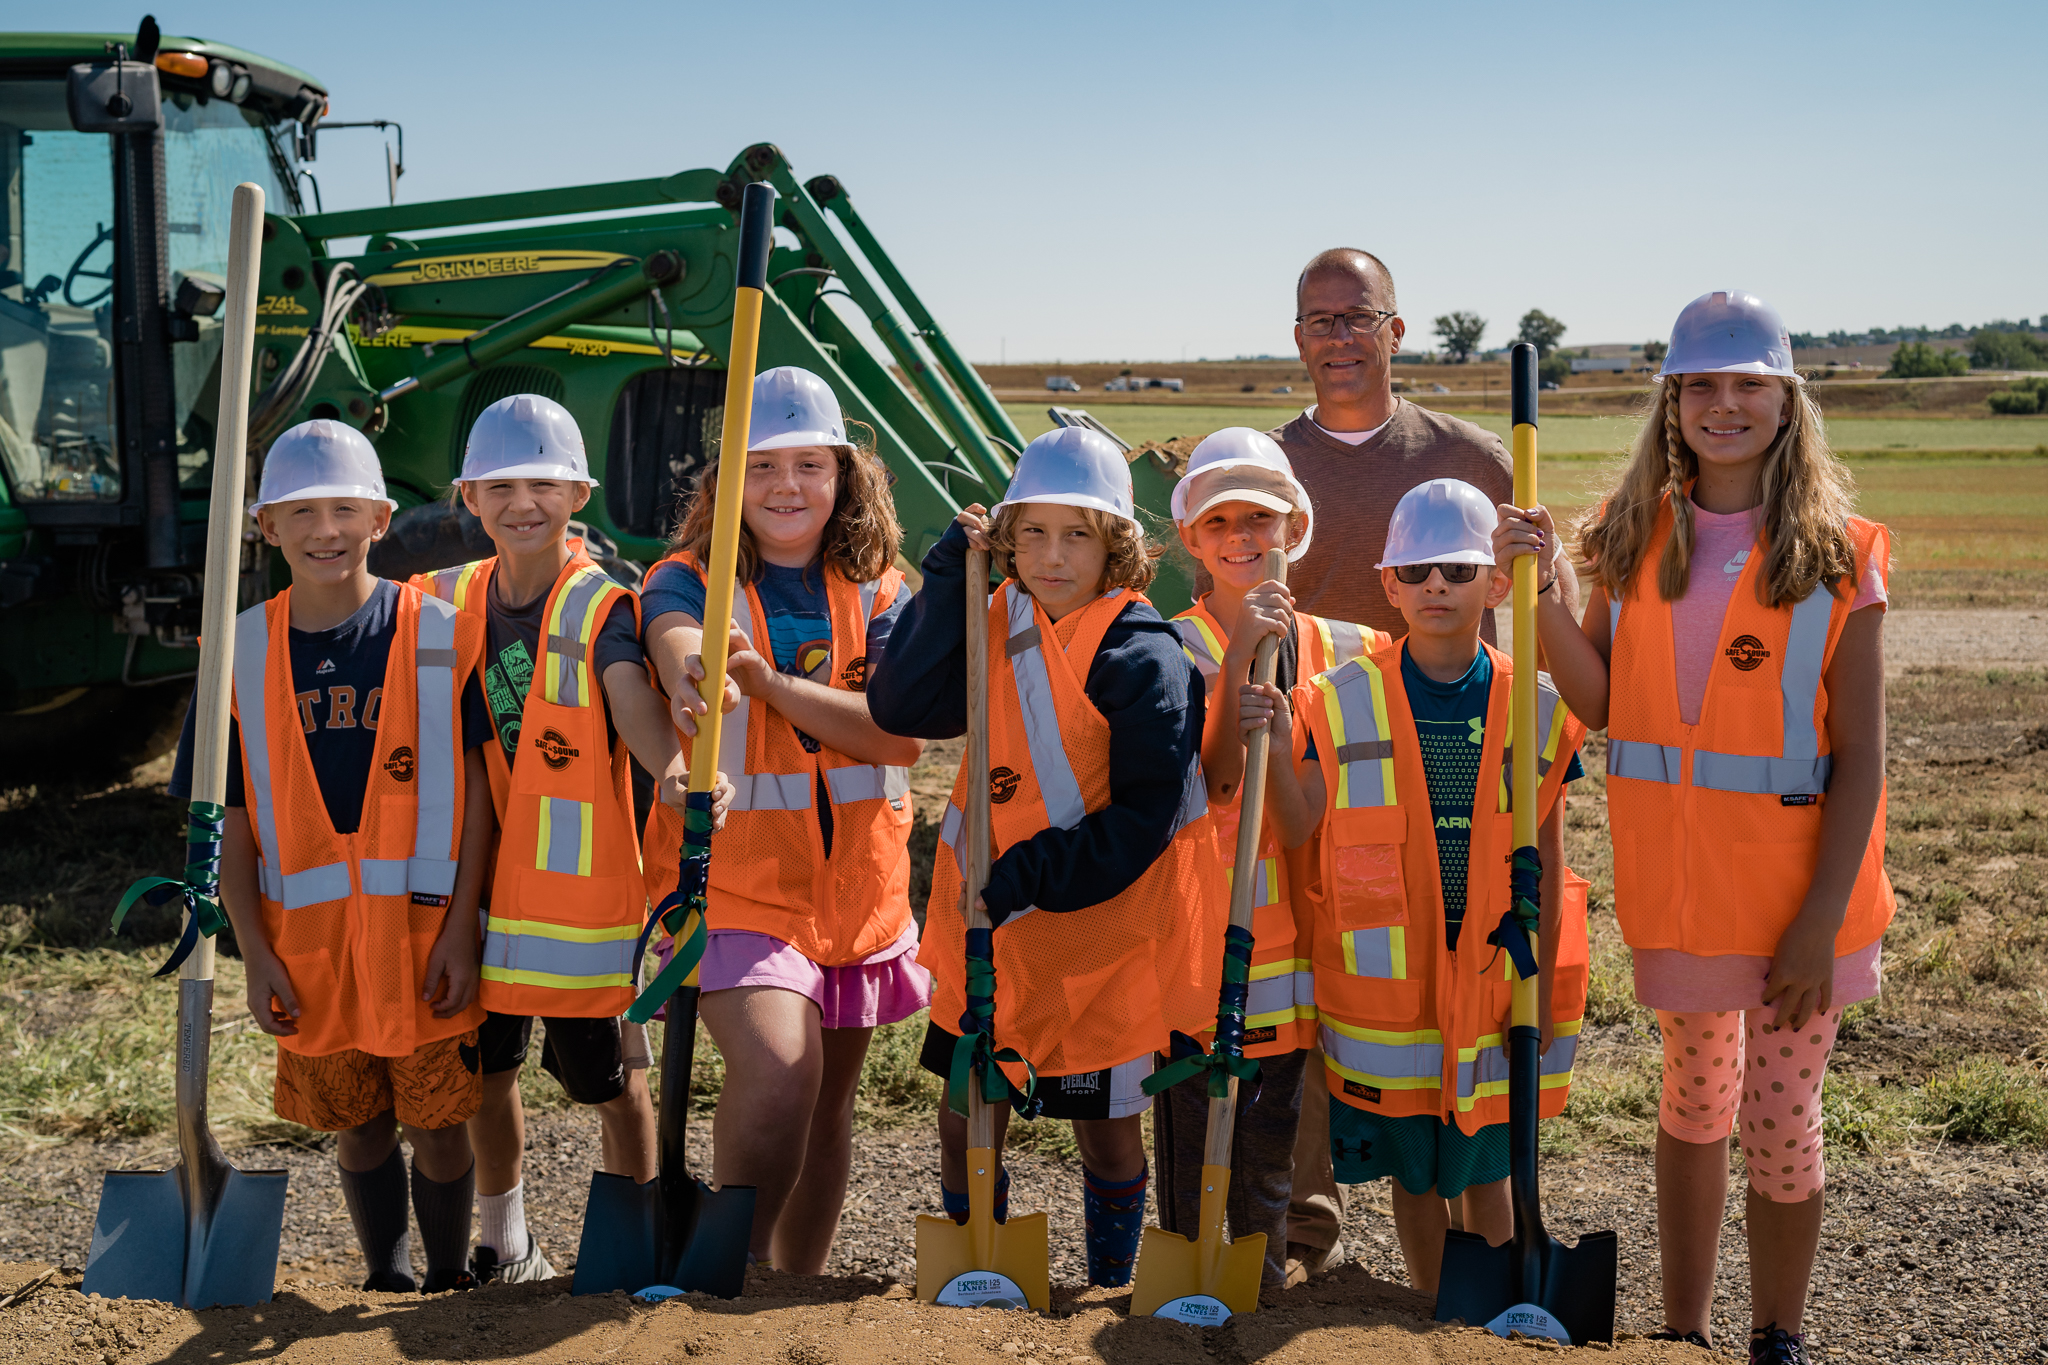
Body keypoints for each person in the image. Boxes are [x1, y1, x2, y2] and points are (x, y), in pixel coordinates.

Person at [1494, 290, 1893, 1365]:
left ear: (1784, 402)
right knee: (1690, 1102)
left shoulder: (1839, 553)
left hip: (1800, 905)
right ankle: (1682, 1332)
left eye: (1747, 384)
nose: (1724, 404)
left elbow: (1859, 755)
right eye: (1701, 386)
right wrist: (1537, 591)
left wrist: (1816, 922)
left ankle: (1777, 1334)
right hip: (1678, 895)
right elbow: (1599, 704)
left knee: (1775, 1119)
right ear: (1671, 403)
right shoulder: (1632, 539)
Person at [1258, 248, 1585, 1279]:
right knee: (1320, 1012)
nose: (1338, 336)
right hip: (1332, 745)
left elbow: (1546, 608)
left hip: (1465, 763)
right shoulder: (1270, 461)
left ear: (1395, 330)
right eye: (1319, 320)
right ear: (1297, 334)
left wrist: (1541, 580)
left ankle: (1466, 1284)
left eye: (1357, 317)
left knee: (1457, 1043)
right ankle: (1307, 1240)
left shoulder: (1473, 455)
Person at [868, 427, 1221, 1289]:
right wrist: (951, 572)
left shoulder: (1147, 656)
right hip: (984, 931)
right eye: (1033, 532)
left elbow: (1143, 824)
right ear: (1008, 536)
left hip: (1092, 938)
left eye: (1078, 533)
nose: (1052, 555)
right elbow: (900, 702)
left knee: (1103, 1129)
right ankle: (975, 1262)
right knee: (965, 1109)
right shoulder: (993, 613)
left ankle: (1105, 1281)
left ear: (1116, 545)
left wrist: (1032, 875)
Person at [170, 420, 495, 1293]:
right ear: (265, 527)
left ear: (381, 518)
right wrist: (255, 951)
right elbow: (229, 821)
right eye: (301, 511)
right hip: (309, 953)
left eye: (345, 508)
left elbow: (481, 802)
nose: (325, 529)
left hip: (427, 945)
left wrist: (465, 925)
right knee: (357, 1121)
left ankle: (450, 1278)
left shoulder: (441, 635)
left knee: (436, 1119)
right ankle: (383, 1273)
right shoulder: (236, 653)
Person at [639, 366, 929, 1274]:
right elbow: (678, 642)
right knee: (780, 1076)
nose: (787, 487)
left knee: (826, 1103)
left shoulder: (885, 589)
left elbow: (897, 736)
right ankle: (734, 1276)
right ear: (726, 482)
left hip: (860, 899)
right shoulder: (687, 578)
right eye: (761, 466)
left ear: (845, 475)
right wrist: (706, 673)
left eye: (810, 464)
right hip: (737, 888)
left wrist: (765, 682)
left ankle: (789, 1287)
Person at [413, 394, 694, 1284]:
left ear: (578, 493)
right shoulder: (453, 599)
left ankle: (633, 1237)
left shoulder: (600, 603)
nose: (521, 502)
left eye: (542, 483)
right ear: (468, 496)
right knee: (487, 1077)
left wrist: (674, 768)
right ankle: (508, 1241)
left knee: (608, 1084)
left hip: (579, 911)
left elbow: (629, 697)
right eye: (500, 485)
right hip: (485, 895)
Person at [1154, 427, 1390, 1291]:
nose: (1244, 535)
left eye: (1263, 515)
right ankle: (1189, 1276)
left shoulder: (1350, 653)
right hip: (1196, 935)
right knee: (1190, 1111)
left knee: (1277, 1127)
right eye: (1222, 520)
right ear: (1192, 538)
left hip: (1303, 936)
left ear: (1296, 524)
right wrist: (1242, 659)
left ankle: (1269, 1278)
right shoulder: (1166, 645)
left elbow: (1310, 817)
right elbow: (1213, 785)